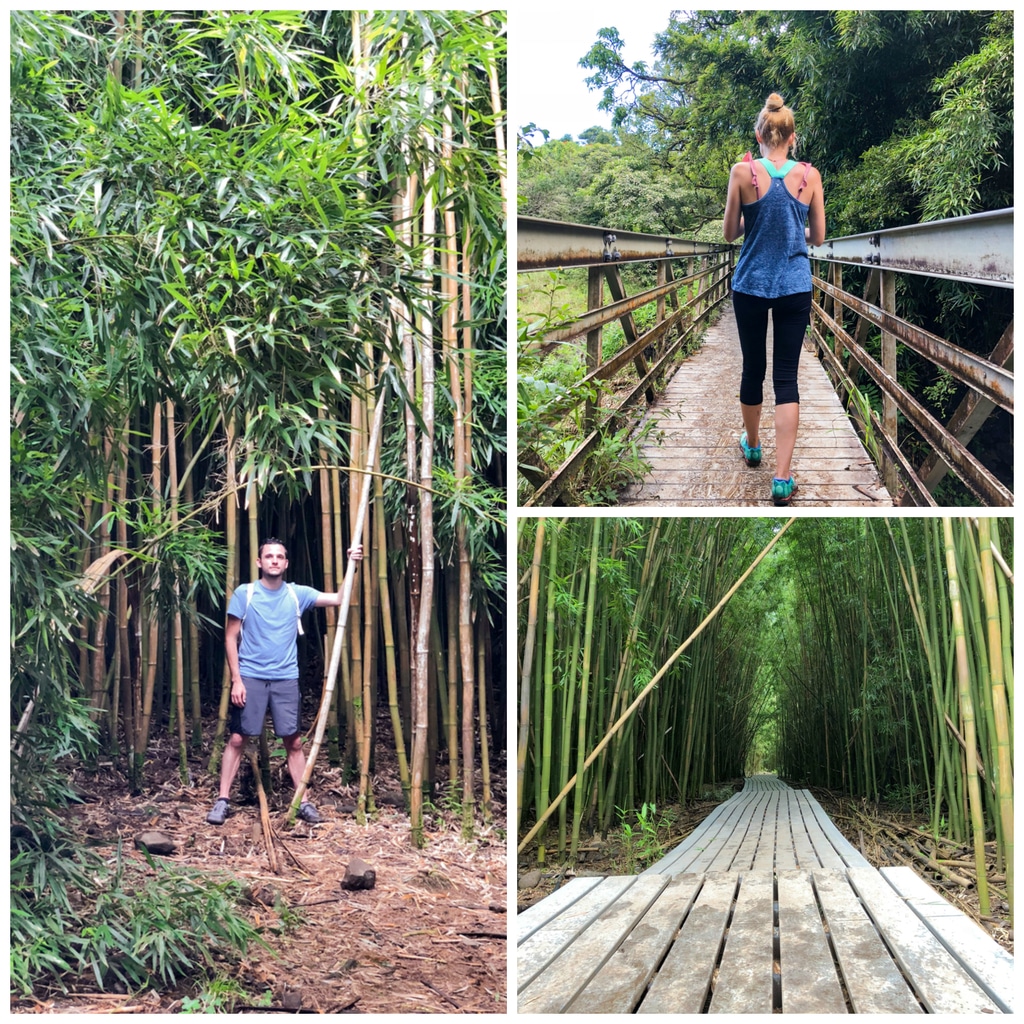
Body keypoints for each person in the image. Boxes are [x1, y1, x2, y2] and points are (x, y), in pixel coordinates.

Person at [207, 537, 363, 825]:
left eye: (280, 556)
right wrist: (237, 680)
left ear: (286, 563)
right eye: (269, 556)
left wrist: (352, 564)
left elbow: (339, 598)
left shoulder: (296, 594)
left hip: (285, 678)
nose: (274, 560)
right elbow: (230, 637)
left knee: (293, 740)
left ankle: (302, 801)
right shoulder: (246, 593)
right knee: (239, 737)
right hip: (251, 676)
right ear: (259, 562)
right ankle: (222, 799)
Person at [723, 92, 826, 506]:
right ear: (792, 137)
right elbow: (817, 237)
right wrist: (791, 231)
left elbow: (731, 232)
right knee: (786, 378)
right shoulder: (809, 176)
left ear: (758, 134)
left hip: (750, 284)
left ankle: (752, 445)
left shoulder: (741, 172)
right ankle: (782, 479)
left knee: (753, 367)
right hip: (794, 286)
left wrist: (757, 218)